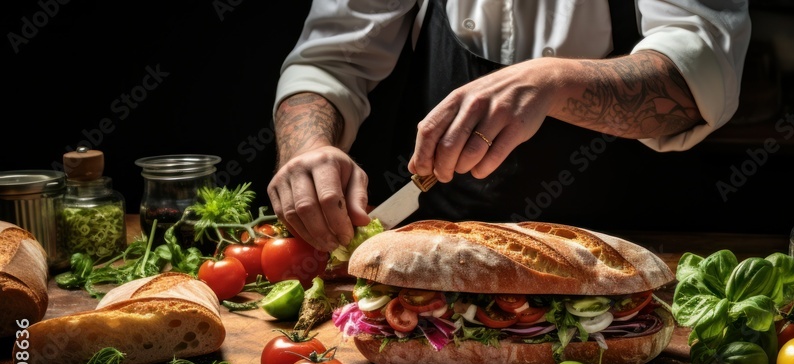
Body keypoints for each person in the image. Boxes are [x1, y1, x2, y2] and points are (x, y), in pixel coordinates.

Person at [267, 1, 750, 253]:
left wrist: (555, 81)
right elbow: (329, 61)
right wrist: (306, 149)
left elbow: (693, 85)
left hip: (628, 248)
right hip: (444, 255)